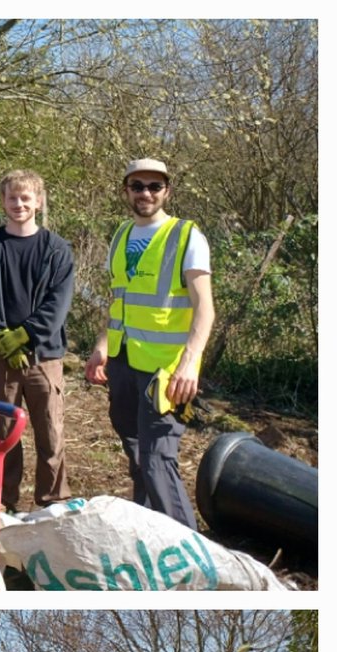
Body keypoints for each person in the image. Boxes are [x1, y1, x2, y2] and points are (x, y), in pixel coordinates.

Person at [85, 158, 215, 530]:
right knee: (136, 453)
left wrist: (190, 363)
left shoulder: (186, 236)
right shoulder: (122, 235)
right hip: (124, 362)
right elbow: (118, 302)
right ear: (125, 191)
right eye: (137, 186)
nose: (146, 193)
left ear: (167, 191)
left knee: (158, 461)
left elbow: (205, 308)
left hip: (167, 371)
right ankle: (148, 533)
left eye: (154, 186)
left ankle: (190, 557)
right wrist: (101, 345)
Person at [0, 169, 74, 512]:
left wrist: (24, 337)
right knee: (3, 434)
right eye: (12, 197)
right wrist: (1, 337)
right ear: (3, 201)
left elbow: (57, 305)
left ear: (38, 202)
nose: (19, 204)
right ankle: (4, 504)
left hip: (44, 357)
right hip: (1, 357)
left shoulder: (57, 250)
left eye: (26, 198)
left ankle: (52, 504)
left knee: (51, 435)